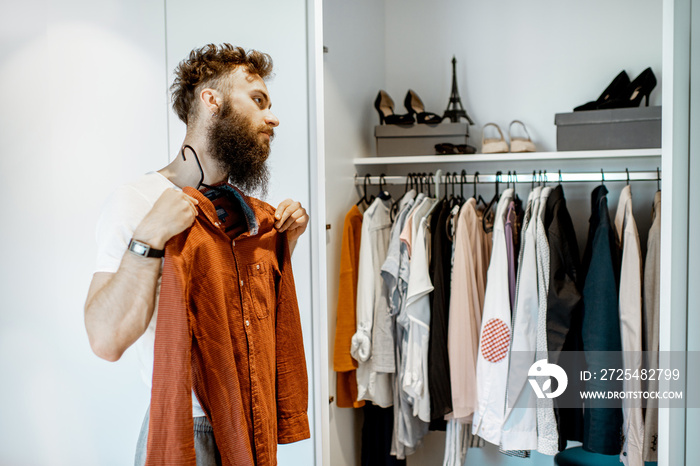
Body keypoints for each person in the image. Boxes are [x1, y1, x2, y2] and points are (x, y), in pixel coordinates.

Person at [83, 44, 310, 465]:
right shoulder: (136, 202)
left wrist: (283, 247)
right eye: (258, 100)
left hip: (249, 426)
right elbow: (105, 339)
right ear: (212, 100)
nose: (273, 117)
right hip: (187, 432)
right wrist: (149, 235)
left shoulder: (245, 215)